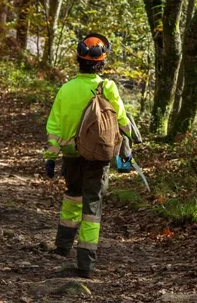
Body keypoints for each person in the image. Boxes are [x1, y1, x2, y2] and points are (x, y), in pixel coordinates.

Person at [43, 33, 132, 279]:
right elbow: (122, 119)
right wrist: (128, 144)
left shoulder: (66, 89)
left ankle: (62, 247)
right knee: (91, 208)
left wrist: (50, 157)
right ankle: (85, 264)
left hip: (71, 155)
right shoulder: (108, 87)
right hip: (98, 157)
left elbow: (53, 128)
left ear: (78, 60)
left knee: (72, 197)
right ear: (102, 62)